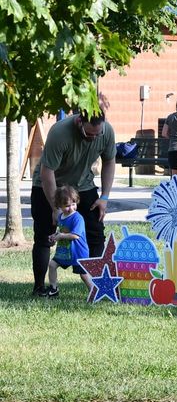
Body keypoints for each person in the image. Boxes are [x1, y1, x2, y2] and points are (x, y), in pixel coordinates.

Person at [30, 111, 115, 296]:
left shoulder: (106, 131)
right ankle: (39, 287)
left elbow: (109, 161)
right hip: (49, 186)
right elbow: (47, 172)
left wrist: (105, 197)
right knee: (45, 236)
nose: (93, 138)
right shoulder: (60, 132)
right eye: (88, 134)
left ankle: (96, 285)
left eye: (97, 134)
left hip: (83, 186)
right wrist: (55, 208)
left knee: (96, 234)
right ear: (79, 122)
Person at [43, 185, 93, 298]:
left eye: (73, 204)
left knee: (83, 274)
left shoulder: (77, 218)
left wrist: (61, 236)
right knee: (52, 265)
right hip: (64, 251)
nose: (71, 208)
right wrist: (55, 235)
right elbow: (62, 231)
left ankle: (93, 292)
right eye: (66, 206)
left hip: (78, 252)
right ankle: (53, 289)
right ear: (59, 206)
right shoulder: (61, 217)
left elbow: (75, 236)